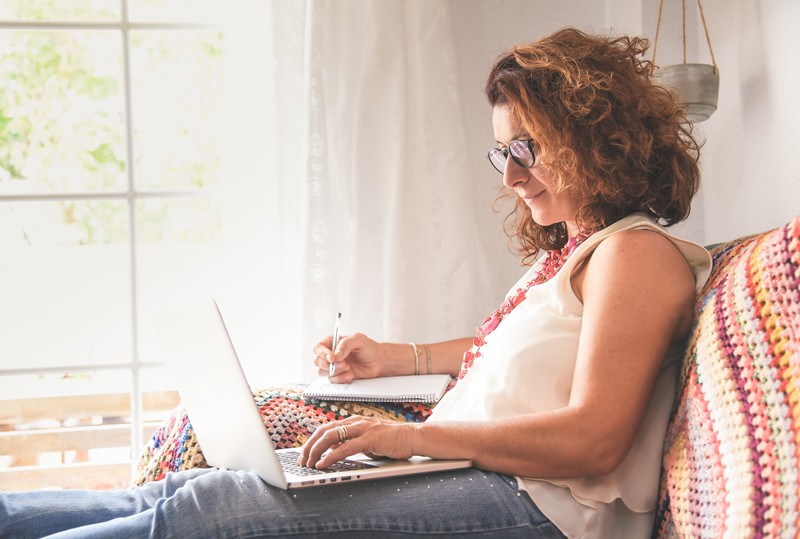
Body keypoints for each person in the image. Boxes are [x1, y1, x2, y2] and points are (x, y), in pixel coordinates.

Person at [0, 27, 711, 538]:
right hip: (488, 473)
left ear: (593, 134)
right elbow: (524, 358)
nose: (511, 176)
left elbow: (594, 439)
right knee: (189, 489)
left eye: (524, 148)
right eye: (501, 154)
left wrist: (411, 440)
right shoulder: (576, 252)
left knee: (211, 516)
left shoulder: (637, 255)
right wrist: (399, 356)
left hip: (543, 509)